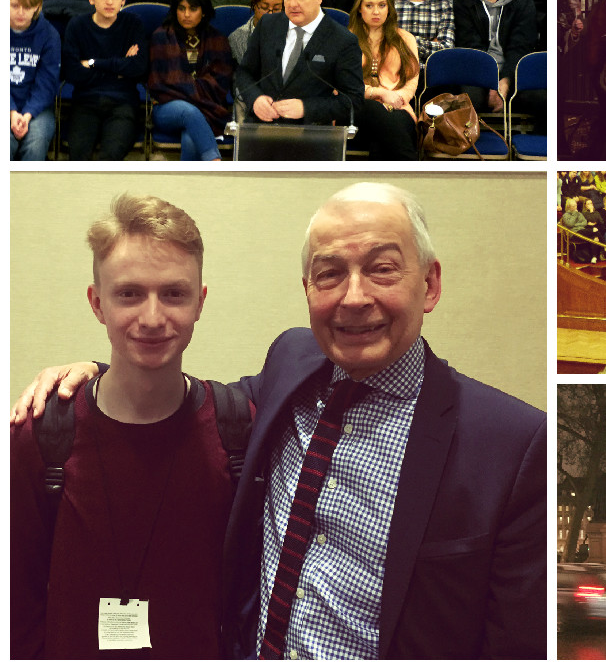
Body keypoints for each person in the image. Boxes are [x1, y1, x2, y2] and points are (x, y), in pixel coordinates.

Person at [16, 183, 547, 658]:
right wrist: (92, 375)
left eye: (382, 268)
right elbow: (159, 393)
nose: (354, 296)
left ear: (429, 285)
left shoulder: (512, 445)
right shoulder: (287, 373)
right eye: (330, 273)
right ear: (308, 289)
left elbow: (516, 647)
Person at [12, 194, 246, 658]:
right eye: (129, 294)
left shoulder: (237, 431)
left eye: (174, 293)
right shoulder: (40, 434)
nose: (153, 318)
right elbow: (17, 605)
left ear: (200, 303)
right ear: (97, 303)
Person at [235, 0, 365, 130]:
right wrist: (255, 99)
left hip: (310, 135)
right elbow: (244, 73)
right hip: (262, 129)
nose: (293, 4)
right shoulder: (267, 25)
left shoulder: (343, 40)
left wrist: (306, 108)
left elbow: (353, 100)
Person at [61, 0, 148, 161]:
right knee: (78, 156)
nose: (109, 2)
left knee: (110, 156)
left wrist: (93, 63)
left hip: (123, 103)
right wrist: (119, 70)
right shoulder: (77, 25)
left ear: (123, 0)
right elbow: (73, 73)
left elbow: (138, 68)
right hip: (85, 102)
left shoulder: (133, 24)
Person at [148, 0, 234, 161]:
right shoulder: (161, 36)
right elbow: (163, 84)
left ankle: (186, 187)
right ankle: (215, 163)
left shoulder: (218, 39)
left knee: (191, 138)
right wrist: (197, 90)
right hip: (166, 109)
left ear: (203, 11)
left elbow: (220, 83)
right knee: (189, 111)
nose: (186, 14)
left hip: (206, 108)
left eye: (193, 8)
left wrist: (186, 87)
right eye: (181, 8)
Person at [452, 0, 537, 113]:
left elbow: (520, 48)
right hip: (477, 73)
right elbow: (470, 46)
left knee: (541, 99)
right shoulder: (465, 3)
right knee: (469, 99)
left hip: (512, 73)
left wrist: (504, 81)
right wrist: (491, 81)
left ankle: (523, 140)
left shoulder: (524, 3)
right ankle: (472, 139)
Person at [348, 0, 420, 160]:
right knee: (374, 110)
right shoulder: (345, 39)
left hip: (397, 106)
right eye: (369, 5)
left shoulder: (405, 38)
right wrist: (378, 93)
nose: (376, 12)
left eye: (382, 5)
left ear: (389, 8)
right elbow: (341, 84)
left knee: (381, 137)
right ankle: (412, 171)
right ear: (359, 8)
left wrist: (397, 98)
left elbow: (412, 79)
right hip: (355, 109)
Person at [9, 0, 60, 161]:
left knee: (36, 142)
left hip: (38, 108)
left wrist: (28, 115)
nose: (21, 12)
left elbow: (47, 83)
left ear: (37, 7)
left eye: (28, 7)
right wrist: (12, 112)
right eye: (15, 6)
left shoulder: (49, 35)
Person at [229, 0, 284, 64]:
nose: (270, 14)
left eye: (276, 9)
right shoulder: (238, 38)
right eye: (264, 7)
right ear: (254, 3)